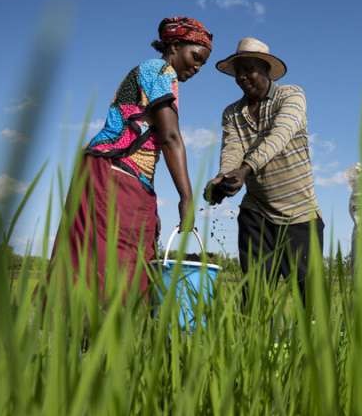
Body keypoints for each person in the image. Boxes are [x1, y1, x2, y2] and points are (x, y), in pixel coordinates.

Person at [57, 16, 212, 294]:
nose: (198, 67)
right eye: (197, 56)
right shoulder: (158, 70)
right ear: (175, 45)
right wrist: (186, 197)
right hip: (113, 169)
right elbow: (170, 136)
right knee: (115, 259)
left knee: (129, 251)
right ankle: (98, 331)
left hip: (119, 171)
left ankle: (98, 331)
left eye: (203, 62)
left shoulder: (160, 76)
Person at [204, 37, 322, 305]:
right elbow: (232, 149)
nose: (243, 77)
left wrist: (245, 170)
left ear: (267, 70)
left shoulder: (291, 95)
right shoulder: (232, 112)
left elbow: (279, 137)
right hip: (257, 212)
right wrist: (224, 178)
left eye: (250, 69)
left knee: (311, 300)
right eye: (238, 72)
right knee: (255, 296)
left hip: (299, 214)